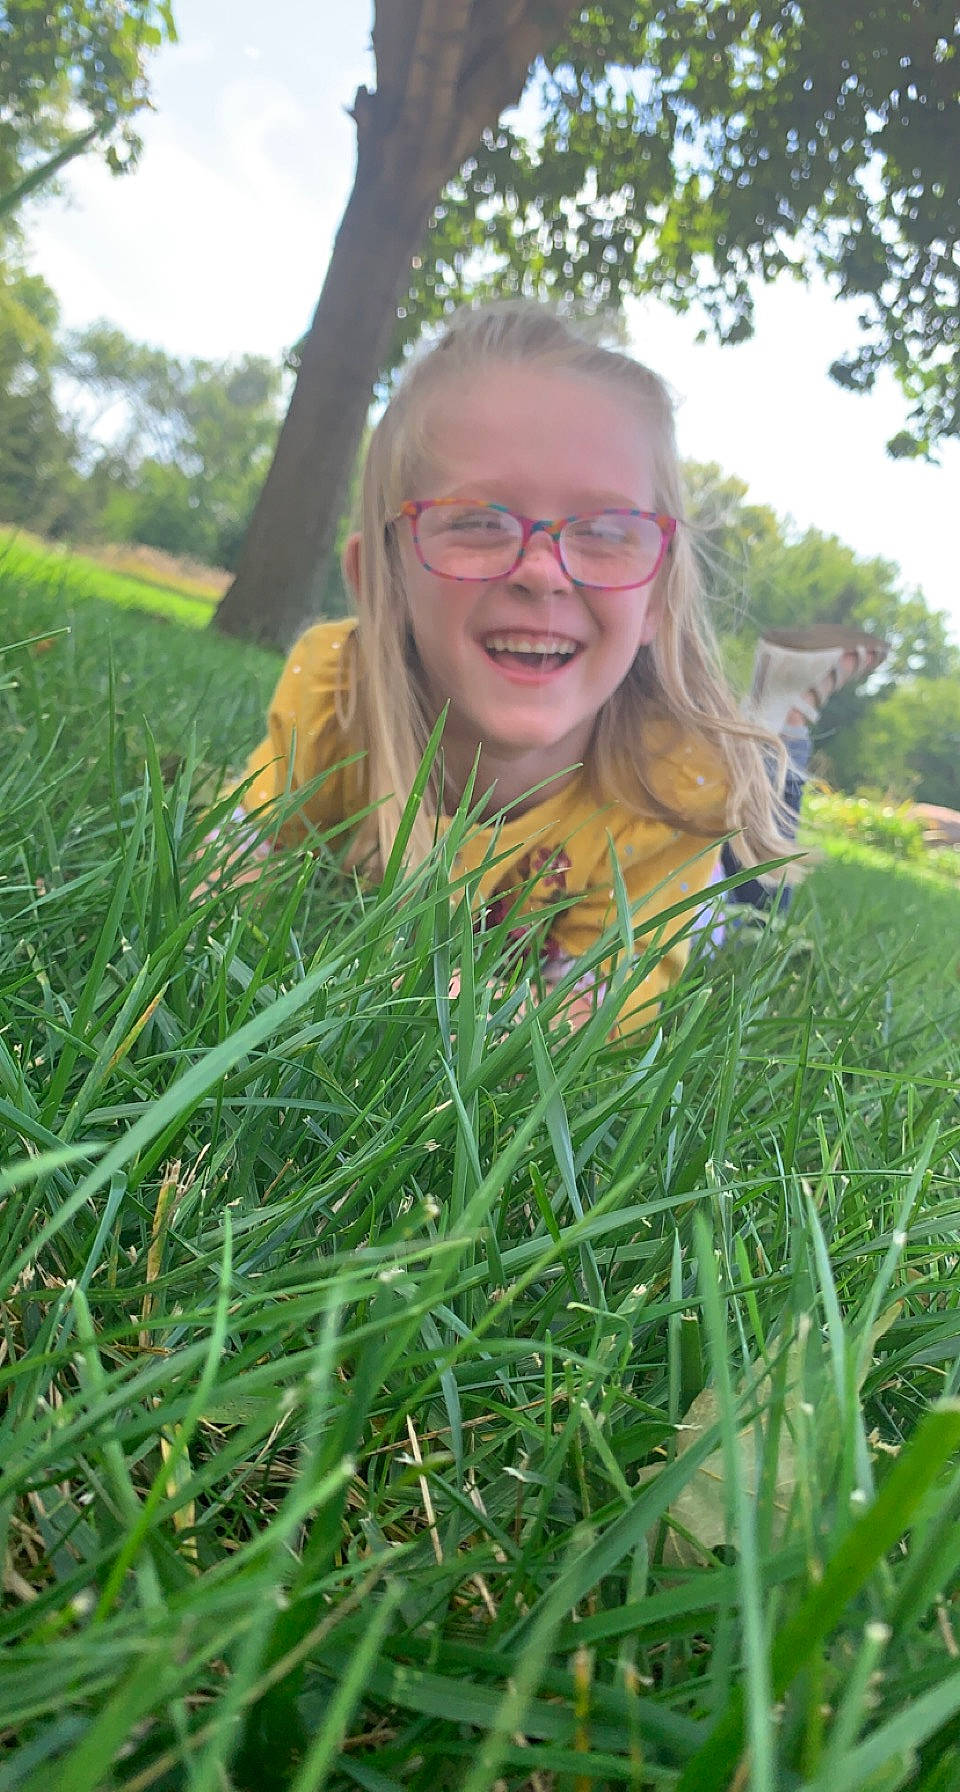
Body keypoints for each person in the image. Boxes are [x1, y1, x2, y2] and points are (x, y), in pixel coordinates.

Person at [212, 303, 878, 1030]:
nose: (543, 572)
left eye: (606, 531)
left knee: (751, 903)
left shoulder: (683, 786)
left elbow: (596, 1018)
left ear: (658, 594)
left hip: (689, 868)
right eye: (476, 521)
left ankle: (783, 717)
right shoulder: (336, 693)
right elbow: (233, 862)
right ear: (381, 579)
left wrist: (457, 1015)